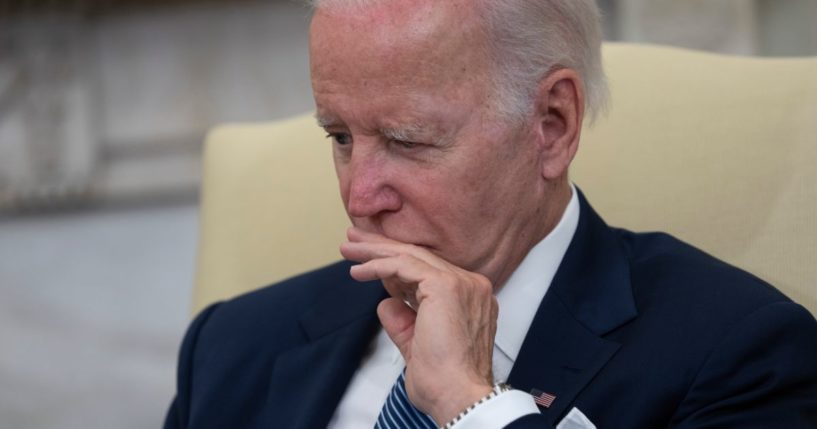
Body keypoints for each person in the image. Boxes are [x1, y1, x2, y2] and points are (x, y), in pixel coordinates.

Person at [163, 0, 817, 428]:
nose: (359, 197)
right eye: (339, 137)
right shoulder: (232, 345)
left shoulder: (740, 352)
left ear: (551, 125)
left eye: (406, 140)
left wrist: (469, 403)